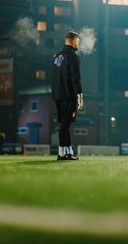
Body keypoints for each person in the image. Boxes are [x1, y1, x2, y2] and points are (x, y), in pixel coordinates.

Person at [52, 31, 83, 161]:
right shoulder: (73, 57)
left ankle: (68, 152)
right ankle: (62, 153)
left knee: (65, 124)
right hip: (68, 95)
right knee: (65, 124)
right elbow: (75, 78)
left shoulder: (57, 57)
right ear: (72, 42)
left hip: (57, 95)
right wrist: (80, 95)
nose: (79, 44)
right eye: (78, 42)